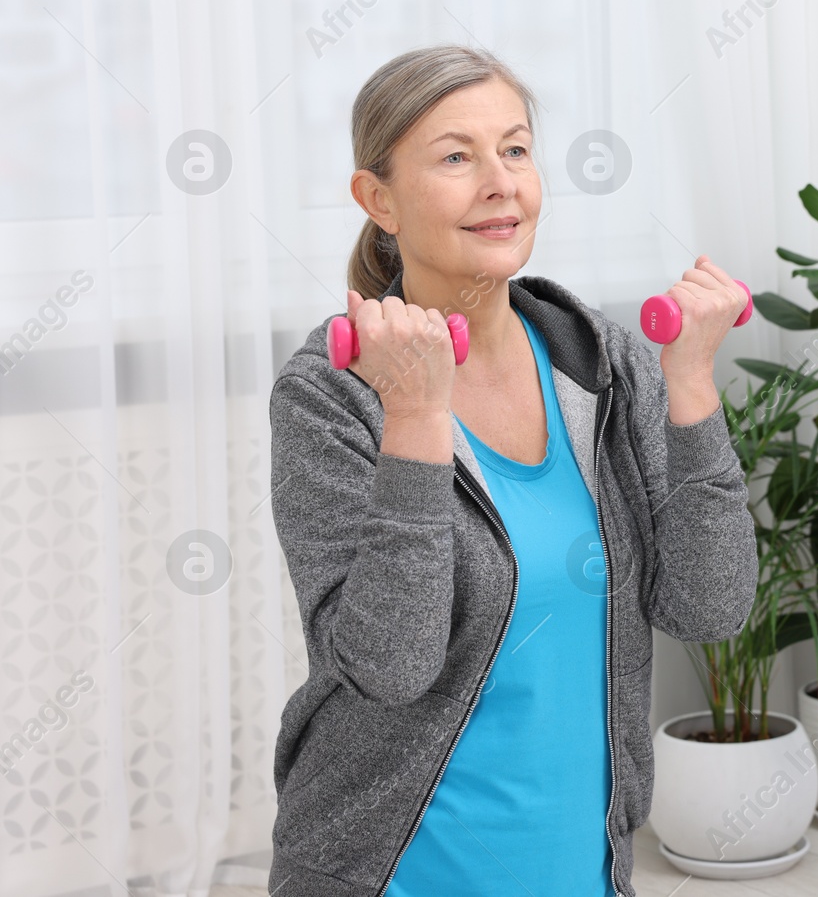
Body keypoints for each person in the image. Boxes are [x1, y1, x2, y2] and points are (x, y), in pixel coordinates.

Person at [265, 44, 758, 897]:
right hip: (394, 870)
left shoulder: (601, 361)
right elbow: (390, 663)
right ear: (377, 199)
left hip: (582, 869)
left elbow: (708, 606)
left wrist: (691, 384)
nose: (501, 182)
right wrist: (418, 419)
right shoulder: (331, 397)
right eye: (456, 156)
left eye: (516, 149)